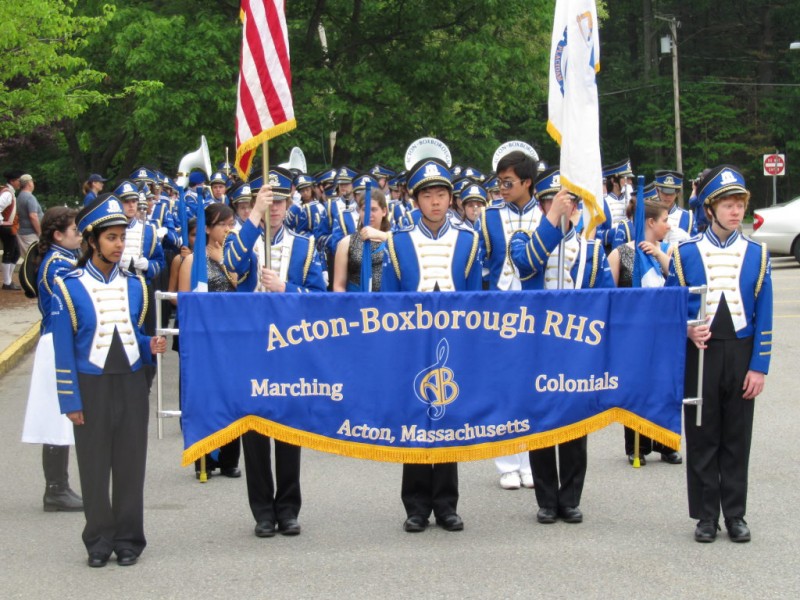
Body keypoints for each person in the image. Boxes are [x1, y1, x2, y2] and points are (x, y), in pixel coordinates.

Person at [51, 194, 167, 567]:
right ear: (92, 241)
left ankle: (130, 538)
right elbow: (63, 349)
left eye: (122, 237)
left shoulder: (138, 286)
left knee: (131, 465)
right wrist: (70, 402)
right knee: (94, 466)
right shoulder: (67, 286)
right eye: (112, 238)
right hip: (91, 385)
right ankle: (98, 540)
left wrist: (152, 344)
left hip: (131, 383)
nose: (119, 245)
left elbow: (134, 333)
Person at [666, 165, 772, 544]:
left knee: (736, 439)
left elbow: (766, 314)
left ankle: (736, 515)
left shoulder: (757, 254)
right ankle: (706, 516)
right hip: (701, 357)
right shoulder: (686, 253)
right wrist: (687, 328)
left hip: (741, 354)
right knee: (702, 436)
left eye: (739, 203)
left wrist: (759, 367)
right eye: (727, 204)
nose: (735, 211)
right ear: (710, 209)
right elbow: (668, 308)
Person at [382, 156, 482, 533]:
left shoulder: (469, 241)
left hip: (454, 345)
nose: (435, 202)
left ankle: (447, 504)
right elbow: (387, 303)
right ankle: (416, 506)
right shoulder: (397, 242)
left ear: (450, 198)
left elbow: (476, 302)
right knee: (416, 424)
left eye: (441, 194)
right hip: (412, 347)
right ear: (415, 199)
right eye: (428, 195)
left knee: (449, 423)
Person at [224, 169, 326, 538]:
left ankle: (288, 508)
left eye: (281, 201)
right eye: (270, 201)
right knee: (254, 429)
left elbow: (321, 300)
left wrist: (287, 287)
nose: (276, 208)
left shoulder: (306, 245)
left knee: (288, 428)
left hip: (291, 346)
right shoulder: (243, 236)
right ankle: (262, 512)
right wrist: (252, 217)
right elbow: (232, 264)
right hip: (252, 344)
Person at [508, 173, 614, 525]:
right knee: (539, 422)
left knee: (574, 423)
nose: (562, 206)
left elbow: (608, 302)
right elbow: (527, 264)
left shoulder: (592, 250)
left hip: (577, 349)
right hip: (536, 347)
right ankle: (545, 498)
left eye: (568, 202)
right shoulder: (524, 238)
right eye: (549, 201)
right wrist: (552, 219)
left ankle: (569, 497)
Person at [606, 199, 682, 466]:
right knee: (636, 389)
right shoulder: (620, 253)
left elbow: (680, 281)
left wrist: (660, 256)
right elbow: (609, 296)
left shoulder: (671, 252)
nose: (668, 225)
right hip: (632, 335)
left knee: (664, 387)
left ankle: (666, 442)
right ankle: (636, 445)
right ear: (650, 222)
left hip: (664, 334)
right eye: (664, 220)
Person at [21, 207, 83, 512]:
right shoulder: (58, 265)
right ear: (58, 235)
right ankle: (55, 488)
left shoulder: (65, 259)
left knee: (61, 417)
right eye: (75, 230)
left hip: (60, 341)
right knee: (57, 417)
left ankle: (58, 486)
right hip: (55, 342)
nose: (80, 235)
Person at [178, 204, 243, 479]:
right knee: (207, 398)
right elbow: (184, 302)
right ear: (207, 227)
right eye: (222, 224)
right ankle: (205, 457)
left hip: (232, 338)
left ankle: (229, 458)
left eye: (231, 224)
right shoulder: (193, 261)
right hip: (206, 339)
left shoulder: (235, 257)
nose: (228, 230)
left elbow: (241, 294)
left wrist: (226, 263)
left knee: (233, 397)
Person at [332, 180, 390, 292]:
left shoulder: (394, 240)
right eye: (364, 210)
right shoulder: (347, 242)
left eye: (374, 209)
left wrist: (381, 235)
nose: (369, 214)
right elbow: (338, 286)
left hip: (387, 304)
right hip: (355, 302)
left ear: (384, 211)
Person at [1, 170, 22, 290]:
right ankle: (7, 282)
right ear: (12, 181)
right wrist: (2, 222)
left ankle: (8, 280)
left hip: (8, 226)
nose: (20, 183)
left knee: (15, 253)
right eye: (18, 181)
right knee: (9, 253)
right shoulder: (7, 193)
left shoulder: (9, 192)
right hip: (6, 227)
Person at [16, 174, 43, 256]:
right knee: (34, 258)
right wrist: (40, 233)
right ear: (29, 183)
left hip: (22, 232)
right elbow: (33, 216)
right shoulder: (30, 197)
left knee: (28, 258)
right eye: (32, 182)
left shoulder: (20, 196)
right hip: (31, 234)